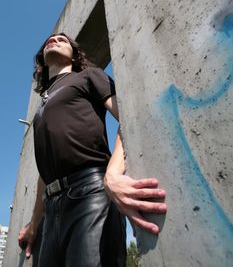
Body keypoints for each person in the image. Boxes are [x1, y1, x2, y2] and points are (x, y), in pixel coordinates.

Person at [18, 33, 167, 267]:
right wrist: (34, 224)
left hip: (91, 193)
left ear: (75, 55)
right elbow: (44, 174)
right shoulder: (42, 106)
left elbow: (129, 117)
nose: (54, 40)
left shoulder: (89, 77)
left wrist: (113, 174)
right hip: (52, 209)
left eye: (62, 39)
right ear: (41, 62)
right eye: (50, 39)